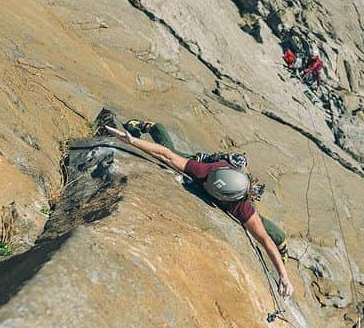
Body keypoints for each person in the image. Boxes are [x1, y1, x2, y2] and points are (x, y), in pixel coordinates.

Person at [104, 120, 294, 300]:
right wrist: (133, 141)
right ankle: (151, 126)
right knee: (173, 151)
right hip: (208, 164)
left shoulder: (241, 206)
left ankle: (283, 245)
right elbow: (166, 155)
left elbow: (264, 239)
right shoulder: (203, 171)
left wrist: (283, 275)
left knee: (268, 229)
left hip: (233, 183)